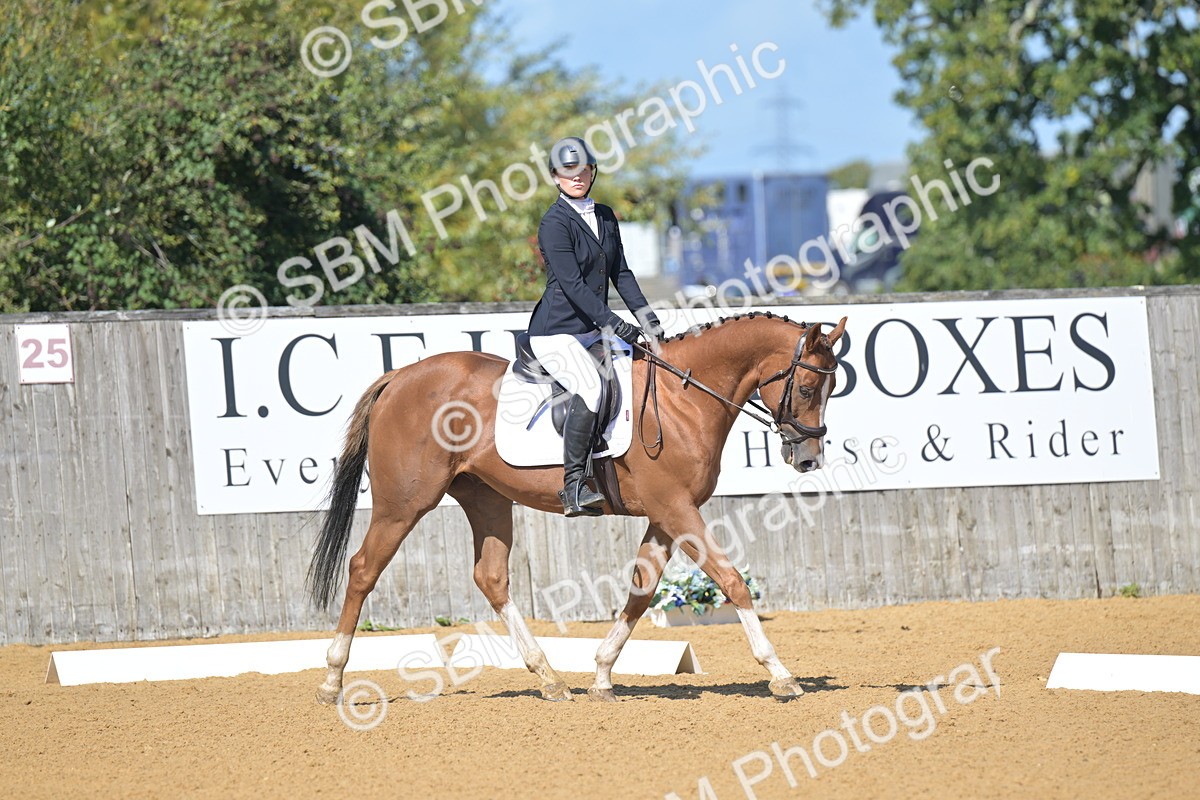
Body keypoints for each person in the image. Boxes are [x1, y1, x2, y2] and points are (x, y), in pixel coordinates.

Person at [527, 136, 665, 517]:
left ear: (592, 172)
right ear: (556, 177)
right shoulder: (553, 223)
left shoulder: (604, 215)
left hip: (591, 332)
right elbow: (571, 286)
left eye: (583, 170)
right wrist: (616, 324)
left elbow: (621, 273)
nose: (576, 177)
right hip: (556, 332)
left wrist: (649, 322)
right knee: (590, 388)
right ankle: (573, 486)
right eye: (567, 171)